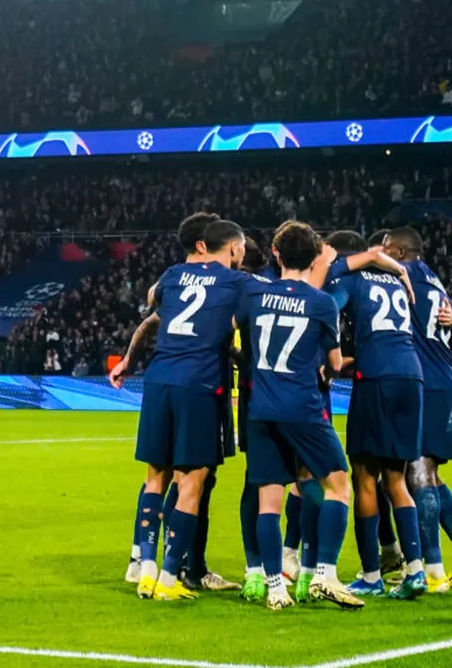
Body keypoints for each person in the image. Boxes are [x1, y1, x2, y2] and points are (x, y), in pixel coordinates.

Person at [110, 218, 267, 602]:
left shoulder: (172, 275)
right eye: (242, 247)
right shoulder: (237, 281)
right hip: (199, 384)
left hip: (159, 378)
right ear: (233, 249)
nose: (243, 253)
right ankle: (168, 578)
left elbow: (153, 300)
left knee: (155, 477)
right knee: (192, 480)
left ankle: (144, 570)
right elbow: (275, 292)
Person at [238, 222, 363, 610]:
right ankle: (325, 573)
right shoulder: (322, 303)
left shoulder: (255, 295)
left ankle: (275, 587)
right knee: (339, 487)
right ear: (314, 259)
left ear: (276, 255)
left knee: (268, 504)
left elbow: (237, 339)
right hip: (304, 408)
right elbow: (335, 363)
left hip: (260, 408)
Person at [384, 227, 452, 593]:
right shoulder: (435, 282)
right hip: (447, 380)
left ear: (397, 251)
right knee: (432, 475)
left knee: (417, 475)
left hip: (425, 382)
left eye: (384, 251)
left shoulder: (403, 274)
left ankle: (432, 569)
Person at [324, 231, 428, 599]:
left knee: (365, 476)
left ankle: (371, 575)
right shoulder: (399, 279)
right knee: (396, 479)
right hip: (411, 374)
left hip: (377, 375)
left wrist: (332, 358)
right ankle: (415, 570)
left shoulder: (350, 277)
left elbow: (326, 309)